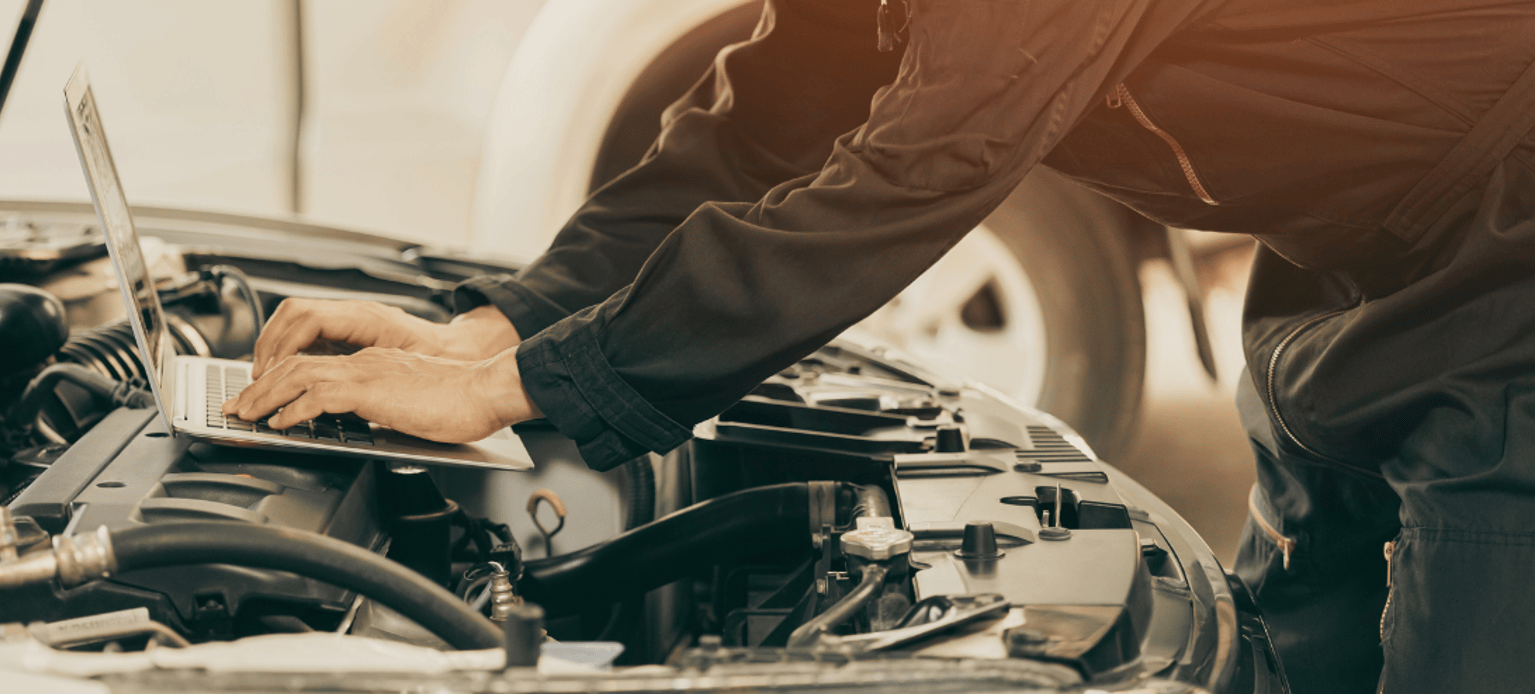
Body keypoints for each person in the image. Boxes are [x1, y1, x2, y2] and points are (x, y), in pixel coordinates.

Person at [223, 0, 1535, 690]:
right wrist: (500, 324)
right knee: (1295, 637)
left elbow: (920, 167)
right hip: (1351, 260)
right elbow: (767, 119)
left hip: (1513, 265)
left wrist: (528, 390)